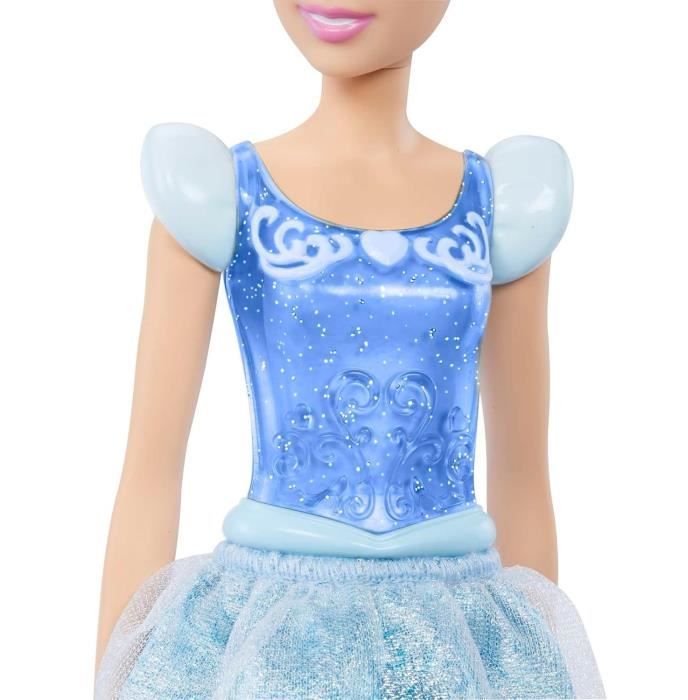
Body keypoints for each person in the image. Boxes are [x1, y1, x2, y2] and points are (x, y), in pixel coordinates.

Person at [95, 2, 604, 697]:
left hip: (452, 636)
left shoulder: (502, 210)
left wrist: (534, 667)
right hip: (275, 639)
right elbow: (150, 473)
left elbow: (523, 479)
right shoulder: (219, 195)